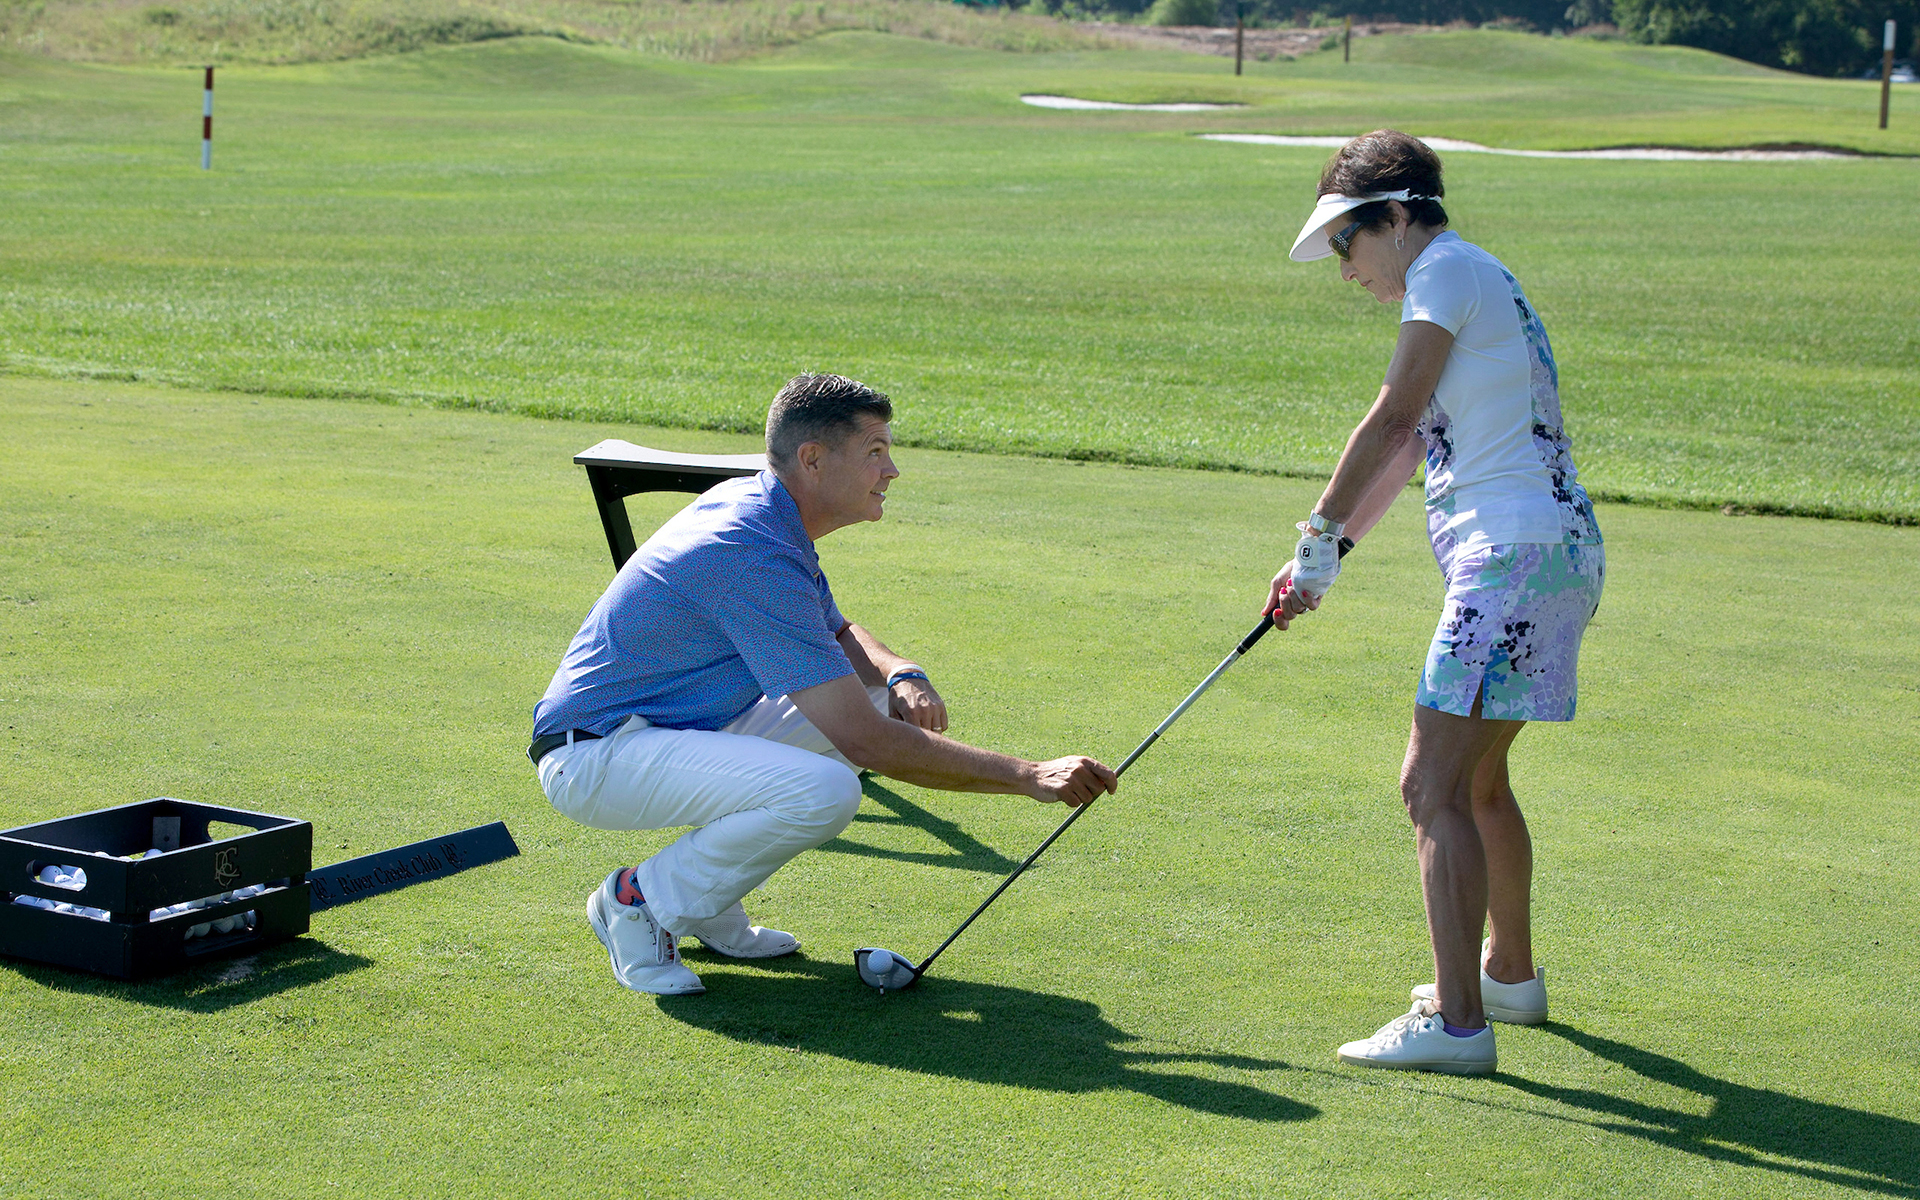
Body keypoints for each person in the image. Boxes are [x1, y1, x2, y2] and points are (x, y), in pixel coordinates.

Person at [531, 373, 1118, 996]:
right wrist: (1028, 776)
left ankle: (705, 901)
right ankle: (637, 902)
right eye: (874, 451)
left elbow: (836, 631)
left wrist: (900, 670)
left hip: (670, 730)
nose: (891, 470)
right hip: (596, 755)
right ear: (812, 459)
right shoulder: (750, 548)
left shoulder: (767, 512)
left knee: (878, 699)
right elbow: (865, 743)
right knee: (827, 790)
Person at [1268, 131, 1604, 1074]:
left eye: (1348, 242)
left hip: (1509, 563)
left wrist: (1314, 536)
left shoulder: (1444, 273)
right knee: (1478, 779)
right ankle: (1508, 976)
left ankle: (1458, 1027)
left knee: (1430, 786)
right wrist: (1325, 559)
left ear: (1397, 216)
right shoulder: (1471, 277)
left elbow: (1389, 415)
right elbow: (1412, 443)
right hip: (1554, 556)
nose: (1346, 270)